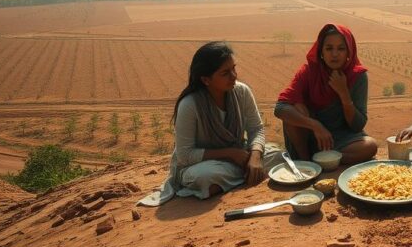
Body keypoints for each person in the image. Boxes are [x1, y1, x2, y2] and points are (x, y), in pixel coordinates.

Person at [138, 42, 281, 206]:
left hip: (240, 157)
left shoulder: (242, 92)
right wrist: (230, 154)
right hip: (205, 164)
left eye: (234, 68)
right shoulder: (190, 105)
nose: (234, 75)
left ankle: (241, 176)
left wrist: (255, 157)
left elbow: (256, 129)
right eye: (225, 73)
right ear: (206, 79)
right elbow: (185, 155)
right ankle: (249, 175)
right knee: (205, 177)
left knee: (278, 155)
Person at [275, 23, 378, 164]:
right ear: (321, 52)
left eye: (341, 48)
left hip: (343, 139)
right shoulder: (309, 71)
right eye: (329, 48)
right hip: (311, 138)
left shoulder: (357, 76)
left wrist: (343, 93)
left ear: (349, 51)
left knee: (369, 146)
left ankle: (321, 161)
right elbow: (280, 108)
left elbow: (357, 126)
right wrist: (315, 125)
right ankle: (306, 162)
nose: (334, 54)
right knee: (296, 107)